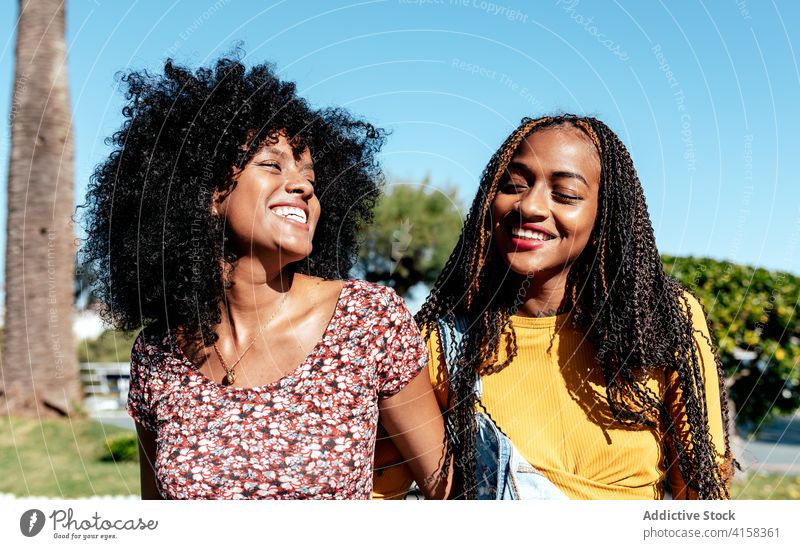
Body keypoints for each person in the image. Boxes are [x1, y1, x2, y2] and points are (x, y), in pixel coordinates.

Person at [82, 56, 449, 500]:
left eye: (309, 175)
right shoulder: (156, 357)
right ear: (208, 194)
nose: (303, 186)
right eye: (272, 166)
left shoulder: (367, 322)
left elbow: (447, 491)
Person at [373, 114, 735, 500]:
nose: (530, 206)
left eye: (565, 195)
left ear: (605, 219)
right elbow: (382, 492)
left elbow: (702, 494)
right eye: (513, 185)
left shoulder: (659, 321)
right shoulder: (442, 342)